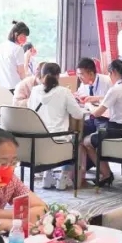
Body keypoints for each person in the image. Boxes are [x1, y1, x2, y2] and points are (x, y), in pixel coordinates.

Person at [28, 62, 84, 191]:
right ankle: (63, 177)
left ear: (42, 75)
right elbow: (78, 114)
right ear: (58, 76)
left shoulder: (35, 91)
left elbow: (30, 110)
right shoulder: (64, 92)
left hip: (37, 140)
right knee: (76, 139)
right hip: (57, 140)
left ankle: (47, 175)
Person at [85, 60, 122, 186]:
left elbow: (96, 113)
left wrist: (88, 105)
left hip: (115, 131)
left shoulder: (115, 89)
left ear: (113, 72)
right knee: (95, 133)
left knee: (86, 142)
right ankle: (106, 173)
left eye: (109, 74)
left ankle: (106, 174)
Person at [0, 21, 30, 91]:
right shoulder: (18, 49)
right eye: (23, 36)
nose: (25, 39)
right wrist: (26, 84)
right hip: (14, 86)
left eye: (26, 36)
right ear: (16, 34)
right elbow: (21, 72)